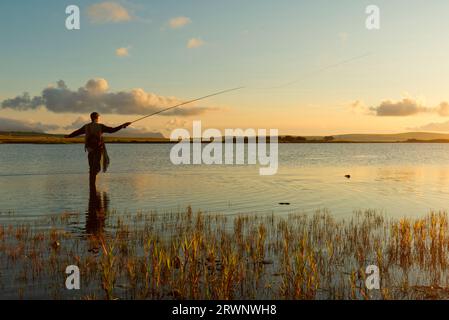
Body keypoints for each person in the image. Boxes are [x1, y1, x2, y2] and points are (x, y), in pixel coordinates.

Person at [65, 112, 131, 190]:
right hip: (97, 150)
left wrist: (68, 136)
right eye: (98, 117)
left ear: (91, 118)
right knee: (96, 168)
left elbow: (77, 132)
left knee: (92, 168)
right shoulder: (100, 126)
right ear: (97, 118)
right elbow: (112, 130)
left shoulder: (86, 126)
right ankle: (92, 186)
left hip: (90, 150)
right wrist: (122, 125)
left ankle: (92, 186)